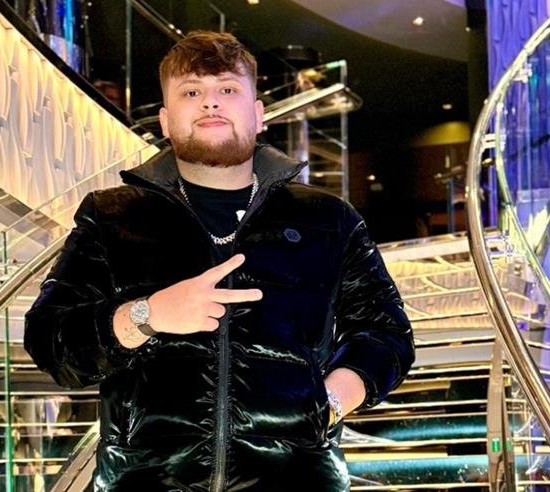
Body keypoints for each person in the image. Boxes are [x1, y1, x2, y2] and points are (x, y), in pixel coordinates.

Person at [24, 31, 414, 491]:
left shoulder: (328, 219)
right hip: (145, 481)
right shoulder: (111, 216)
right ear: (166, 120)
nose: (210, 102)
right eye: (191, 92)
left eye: (228, 89)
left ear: (258, 114)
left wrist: (326, 404)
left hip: (297, 480)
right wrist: (147, 315)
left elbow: (387, 334)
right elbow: (49, 341)